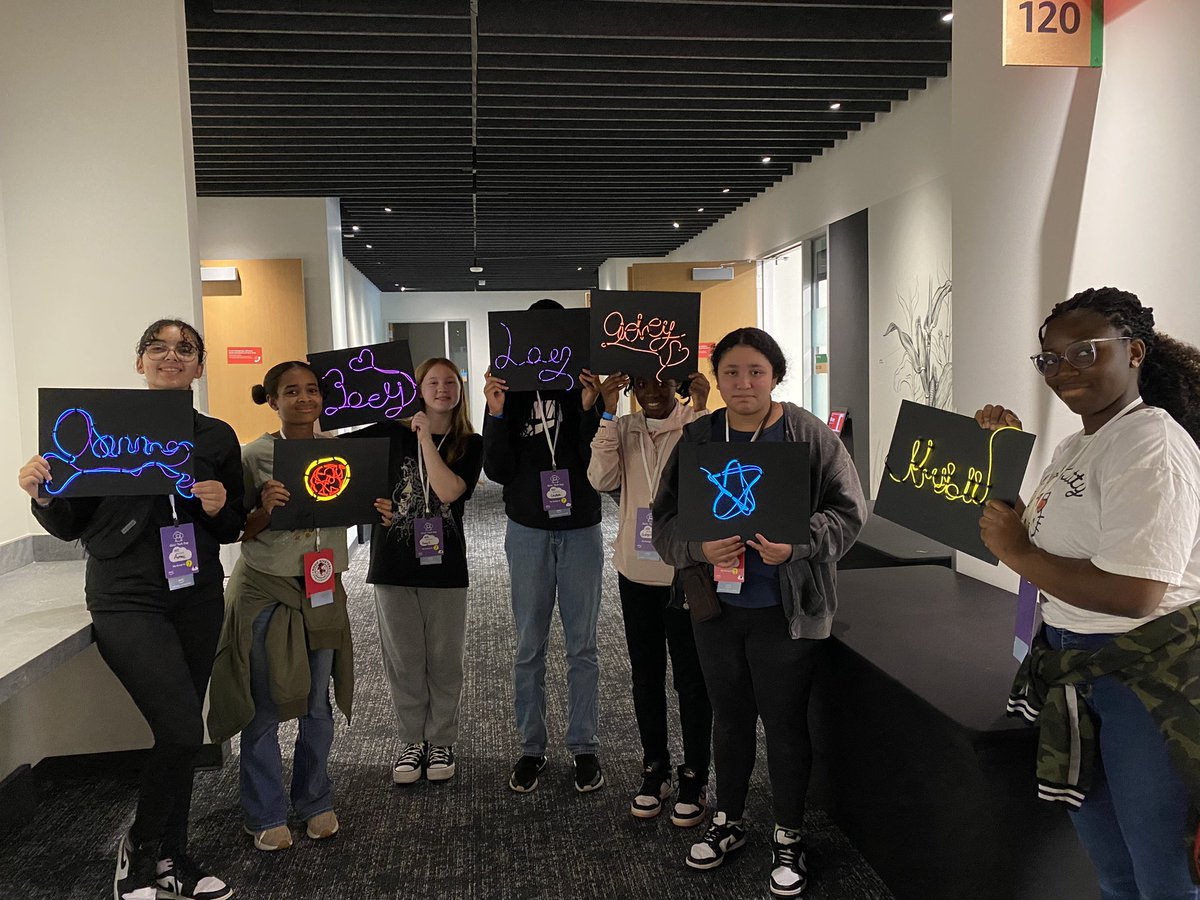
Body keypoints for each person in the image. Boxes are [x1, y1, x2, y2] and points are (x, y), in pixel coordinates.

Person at [977, 287, 1200, 900]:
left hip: (1146, 684)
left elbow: (1136, 593)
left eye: (1084, 352)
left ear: (1134, 352)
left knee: (1165, 877)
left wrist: (1018, 554)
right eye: (1049, 359)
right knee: (1114, 870)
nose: (1063, 369)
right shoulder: (1077, 445)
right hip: (1077, 670)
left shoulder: (1150, 444)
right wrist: (1000, 456)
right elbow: (1037, 540)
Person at [18, 319, 243, 900]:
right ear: (139, 362)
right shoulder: (103, 428)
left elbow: (233, 524)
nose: (172, 356)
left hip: (196, 591)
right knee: (181, 727)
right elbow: (69, 524)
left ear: (199, 365)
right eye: (157, 348)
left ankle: (173, 857)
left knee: (183, 733)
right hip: (126, 595)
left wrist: (218, 506)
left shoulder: (216, 437)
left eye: (185, 349)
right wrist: (44, 494)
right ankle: (141, 851)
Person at [653, 327, 867, 898]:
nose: (743, 383)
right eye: (731, 372)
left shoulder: (808, 435)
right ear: (716, 378)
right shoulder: (699, 437)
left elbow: (850, 512)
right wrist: (700, 549)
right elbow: (664, 524)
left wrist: (796, 543)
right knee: (728, 717)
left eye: (756, 372)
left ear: (776, 377)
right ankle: (729, 819)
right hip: (716, 610)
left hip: (787, 610)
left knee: (784, 721)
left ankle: (788, 834)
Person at [206, 361, 353, 853]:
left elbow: (346, 511)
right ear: (272, 401)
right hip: (267, 590)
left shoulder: (340, 452)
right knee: (264, 705)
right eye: (291, 391)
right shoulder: (254, 456)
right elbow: (235, 530)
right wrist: (265, 510)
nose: (304, 399)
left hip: (322, 589)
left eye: (312, 390)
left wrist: (376, 511)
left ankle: (315, 799)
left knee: (317, 705)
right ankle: (264, 811)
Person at [483, 297, 607, 794]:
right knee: (528, 646)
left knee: (583, 646)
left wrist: (589, 409)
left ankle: (584, 746)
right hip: (528, 529)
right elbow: (497, 470)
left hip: (581, 528)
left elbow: (595, 463)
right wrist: (495, 413)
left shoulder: (582, 388)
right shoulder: (509, 392)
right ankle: (531, 747)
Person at [587, 370, 714, 825]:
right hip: (636, 572)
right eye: (642, 384)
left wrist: (701, 411)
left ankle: (695, 775)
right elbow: (600, 478)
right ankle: (654, 768)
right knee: (646, 675)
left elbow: (710, 483)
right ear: (631, 389)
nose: (653, 391)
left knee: (692, 680)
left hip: (684, 571)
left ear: (678, 385)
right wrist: (606, 414)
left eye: (663, 382)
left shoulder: (696, 424)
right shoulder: (622, 429)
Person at [358, 357, 483, 785]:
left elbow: (448, 491)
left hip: (445, 568)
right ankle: (412, 741)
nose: (442, 389)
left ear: (460, 391)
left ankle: (441, 739)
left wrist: (426, 438)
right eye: (432, 382)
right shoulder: (387, 432)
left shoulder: (469, 442)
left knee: (445, 660)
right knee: (404, 661)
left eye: (450, 382)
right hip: (392, 565)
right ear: (417, 388)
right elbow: (339, 456)